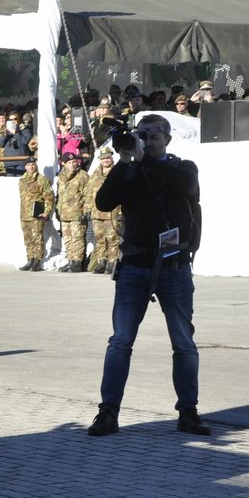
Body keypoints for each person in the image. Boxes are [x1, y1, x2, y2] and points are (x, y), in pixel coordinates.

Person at [86, 115, 209, 437]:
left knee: (184, 343)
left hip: (174, 266)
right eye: (142, 135)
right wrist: (126, 163)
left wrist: (143, 160)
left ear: (167, 139)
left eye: (154, 136)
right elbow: (103, 201)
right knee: (120, 341)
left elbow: (183, 186)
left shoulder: (184, 167)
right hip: (135, 267)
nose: (148, 141)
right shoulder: (132, 169)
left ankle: (189, 411)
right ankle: (108, 412)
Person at [54, 152, 91, 271]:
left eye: (74, 161)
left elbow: (88, 195)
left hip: (77, 213)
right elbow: (59, 195)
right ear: (64, 164)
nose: (73, 164)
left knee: (77, 238)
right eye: (69, 162)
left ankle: (77, 262)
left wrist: (85, 211)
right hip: (64, 213)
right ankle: (71, 260)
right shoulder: (61, 177)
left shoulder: (83, 176)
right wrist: (57, 210)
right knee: (67, 238)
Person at [88, 147, 121, 273]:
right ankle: (102, 261)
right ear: (99, 160)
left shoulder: (117, 171)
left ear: (112, 158)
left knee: (112, 238)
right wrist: (87, 208)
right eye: (103, 158)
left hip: (112, 212)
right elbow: (89, 192)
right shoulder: (95, 174)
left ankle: (112, 262)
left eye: (108, 158)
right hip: (97, 212)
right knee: (100, 238)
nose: (105, 160)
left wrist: (122, 212)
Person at [17, 157, 53, 271]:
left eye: (33, 164)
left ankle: (37, 261)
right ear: (25, 167)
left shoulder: (41, 179)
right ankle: (30, 259)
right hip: (24, 214)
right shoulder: (22, 180)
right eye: (28, 165)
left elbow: (49, 197)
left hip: (36, 214)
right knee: (28, 239)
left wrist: (46, 212)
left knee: (37, 238)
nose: (31, 167)